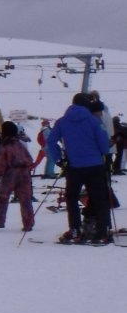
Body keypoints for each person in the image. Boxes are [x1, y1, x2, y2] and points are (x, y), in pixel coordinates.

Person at [46, 94, 114, 244]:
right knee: (99, 198)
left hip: (74, 166)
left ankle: (75, 230)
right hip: (95, 165)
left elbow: (51, 141)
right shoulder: (93, 120)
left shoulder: (62, 122)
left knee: (71, 197)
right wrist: (104, 153)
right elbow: (103, 144)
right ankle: (102, 232)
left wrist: (60, 159)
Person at [0, 121, 36, 232]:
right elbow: (29, 159)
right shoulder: (20, 144)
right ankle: (28, 223)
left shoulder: (3, 146)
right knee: (25, 198)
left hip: (10, 174)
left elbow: (1, 164)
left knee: (2, 197)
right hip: (24, 172)